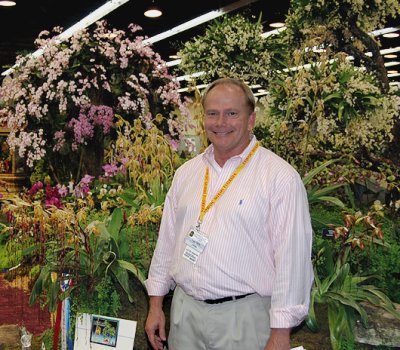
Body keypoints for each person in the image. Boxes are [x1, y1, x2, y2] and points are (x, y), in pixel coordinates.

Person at [144, 77, 314, 350]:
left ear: (251, 120)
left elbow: (291, 259)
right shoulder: (187, 173)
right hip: (184, 315)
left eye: (231, 113)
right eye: (212, 113)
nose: (220, 122)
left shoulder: (279, 178)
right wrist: (155, 304)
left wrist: (281, 334)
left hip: (243, 319)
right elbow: (167, 242)